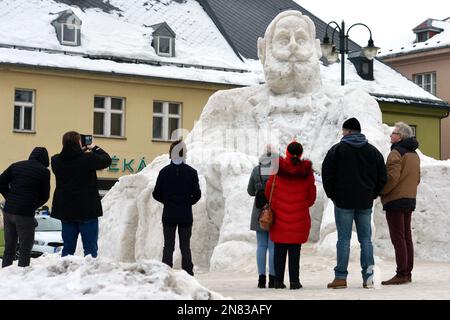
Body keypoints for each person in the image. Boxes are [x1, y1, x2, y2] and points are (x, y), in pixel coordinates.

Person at [322, 118, 387, 289]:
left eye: (344, 130)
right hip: (365, 201)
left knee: (343, 239)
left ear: (349, 131)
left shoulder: (337, 150)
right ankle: (369, 277)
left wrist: (333, 195)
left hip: (343, 201)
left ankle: (340, 278)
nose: (342, 133)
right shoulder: (373, 151)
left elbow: (327, 174)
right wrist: (373, 194)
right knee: (366, 240)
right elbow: (383, 176)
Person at [51, 131, 111, 258]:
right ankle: (88, 275)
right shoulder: (88, 158)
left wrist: (80, 152)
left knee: (68, 248)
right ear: (79, 142)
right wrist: (94, 148)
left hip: (66, 210)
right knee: (90, 250)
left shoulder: (56, 160)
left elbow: (70, 159)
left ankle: (65, 273)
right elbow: (107, 160)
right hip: (87, 210)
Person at [265, 141, 316, 290]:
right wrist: (301, 204)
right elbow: (312, 197)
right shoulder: (307, 173)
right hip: (299, 219)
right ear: (301, 154)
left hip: (279, 219)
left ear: (287, 153)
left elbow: (268, 192)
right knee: (295, 252)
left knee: (279, 251)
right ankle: (294, 281)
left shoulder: (276, 170)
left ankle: (278, 281)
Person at [153, 139, 201, 276]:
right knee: (185, 246)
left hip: (169, 214)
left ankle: (165, 273)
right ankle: (188, 274)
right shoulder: (192, 172)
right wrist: (187, 202)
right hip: (185, 215)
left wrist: (167, 201)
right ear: (184, 153)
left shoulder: (164, 172)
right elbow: (197, 194)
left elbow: (156, 194)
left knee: (168, 246)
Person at [381, 122, 420, 285]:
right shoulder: (414, 155)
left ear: (401, 136)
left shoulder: (396, 153)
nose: (391, 135)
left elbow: (392, 178)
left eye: (393, 133)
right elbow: (417, 178)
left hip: (395, 200)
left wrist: (382, 191)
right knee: (406, 236)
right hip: (410, 199)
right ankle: (407, 272)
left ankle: (401, 273)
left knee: (398, 238)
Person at [0, 147, 50, 267]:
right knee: (25, 247)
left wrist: (9, 198)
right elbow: (45, 195)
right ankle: (22, 273)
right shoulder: (44, 171)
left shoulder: (16, 165)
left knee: (9, 246)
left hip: (8, 212)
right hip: (25, 214)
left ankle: (5, 273)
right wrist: (32, 206)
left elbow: (0, 182)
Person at [247, 145, 278, 288]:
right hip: (274, 210)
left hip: (259, 211)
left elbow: (250, 191)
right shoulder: (277, 171)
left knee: (261, 246)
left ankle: (261, 279)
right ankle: (272, 279)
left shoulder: (256, 170)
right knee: (272, 247)